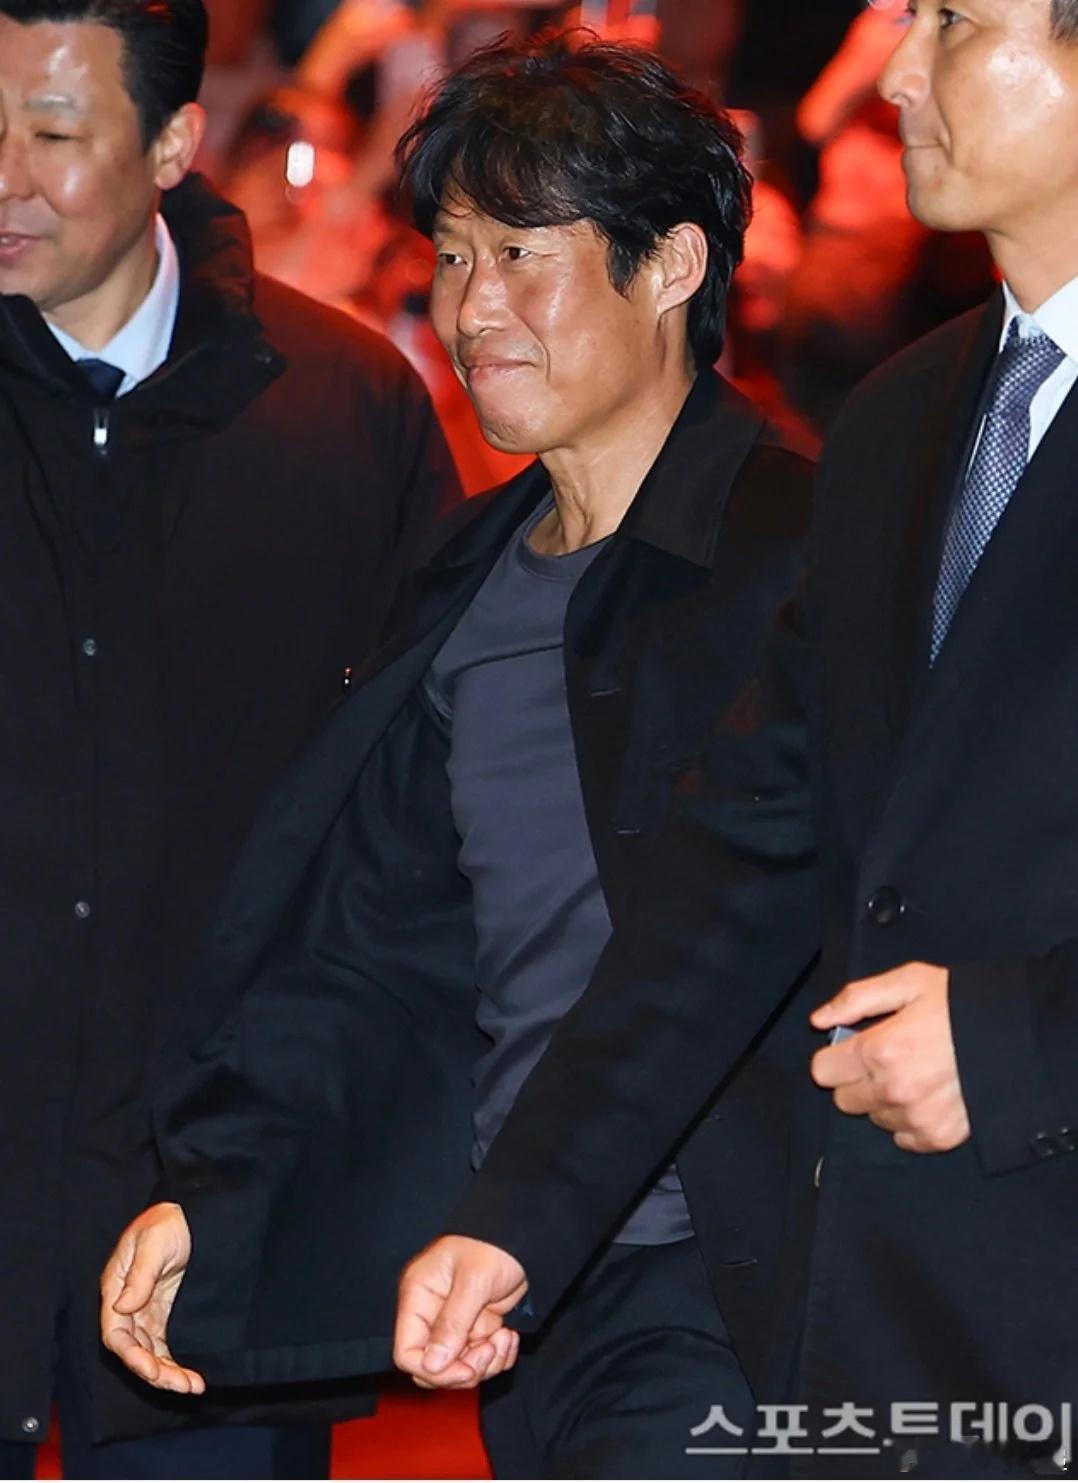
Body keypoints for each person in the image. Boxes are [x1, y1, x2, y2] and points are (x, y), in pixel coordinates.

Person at [98, 31, 814, 1480]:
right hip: (521, 1304)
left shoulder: (809, 554)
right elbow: (377, 952)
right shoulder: (462, 585)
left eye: (522, 255)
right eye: (451, 256)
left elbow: (747, 936)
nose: (474, 307)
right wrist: (220, 1198)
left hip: (749, 1287)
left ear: (673, 266)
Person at [379, 0, 1078, 1475]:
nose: (892, 76)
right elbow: (737, 868)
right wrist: (523, 1217)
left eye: (952, 23)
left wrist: (1025, 1043)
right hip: (898, 1337)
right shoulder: (904, 418)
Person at [0, 0, 457, 1478]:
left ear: (173, 146)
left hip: (218, 1197)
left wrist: (287, 1132)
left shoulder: (342, 413)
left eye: (53, 135)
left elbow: (414, 827)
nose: (4, 178)